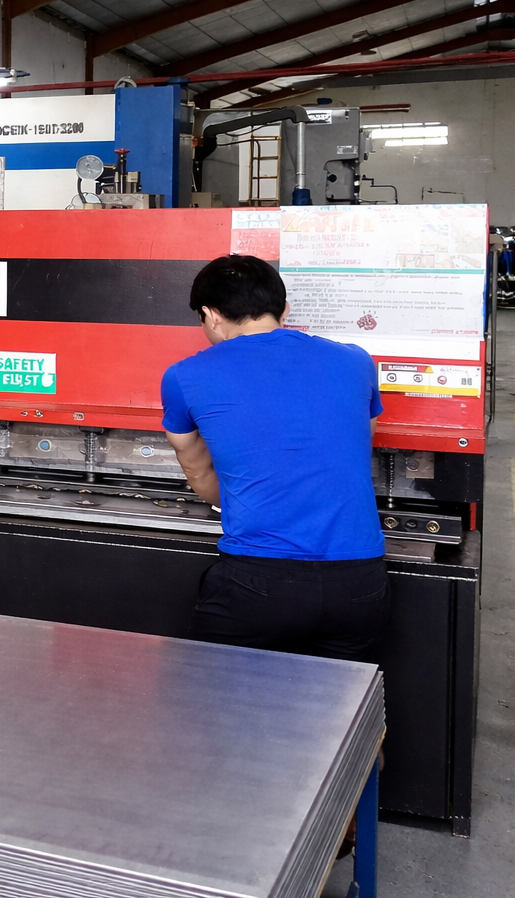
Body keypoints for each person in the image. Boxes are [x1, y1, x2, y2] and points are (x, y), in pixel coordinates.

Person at [161, 255, 389, 662]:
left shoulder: (183, 376)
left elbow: (195, 465)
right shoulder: (356, 361)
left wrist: (247, 497)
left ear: (211, 315)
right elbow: (361, 438)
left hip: (257, 582)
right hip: (359, 581)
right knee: (341, 700)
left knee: (210, 695)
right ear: (284, 309)